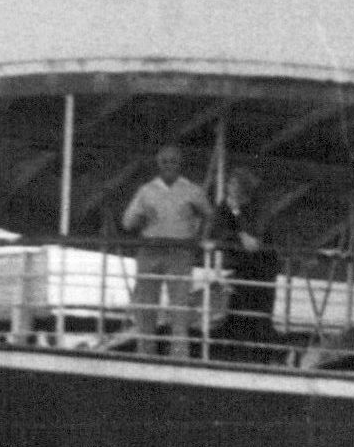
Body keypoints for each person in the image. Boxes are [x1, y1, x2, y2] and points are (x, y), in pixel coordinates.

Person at [119, 143, 212, 356]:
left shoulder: (192, 190)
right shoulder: (146, 191)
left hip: (180, 252)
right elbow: (128, 222)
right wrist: (142, 217)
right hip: (150, 250)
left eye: (173, 161)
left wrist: (200, 238)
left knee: (179, 306)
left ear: (180, 164)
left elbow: (209, 215)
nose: (169, 165)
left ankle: (179, 355)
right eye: (164, 161)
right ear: (158, 164)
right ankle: (145, 353)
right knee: (146, 305)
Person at [213, 169, 281, 363]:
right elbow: (215, 231)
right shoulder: (224, 207)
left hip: (262, 269)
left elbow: (251, 243)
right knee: (239, 312)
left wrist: (236, 214)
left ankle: (265, 356)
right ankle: (238, 355)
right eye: (229, 184)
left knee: (259, 314)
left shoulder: (258, 208)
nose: (229, 188)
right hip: (243, 268)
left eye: (234, 185)